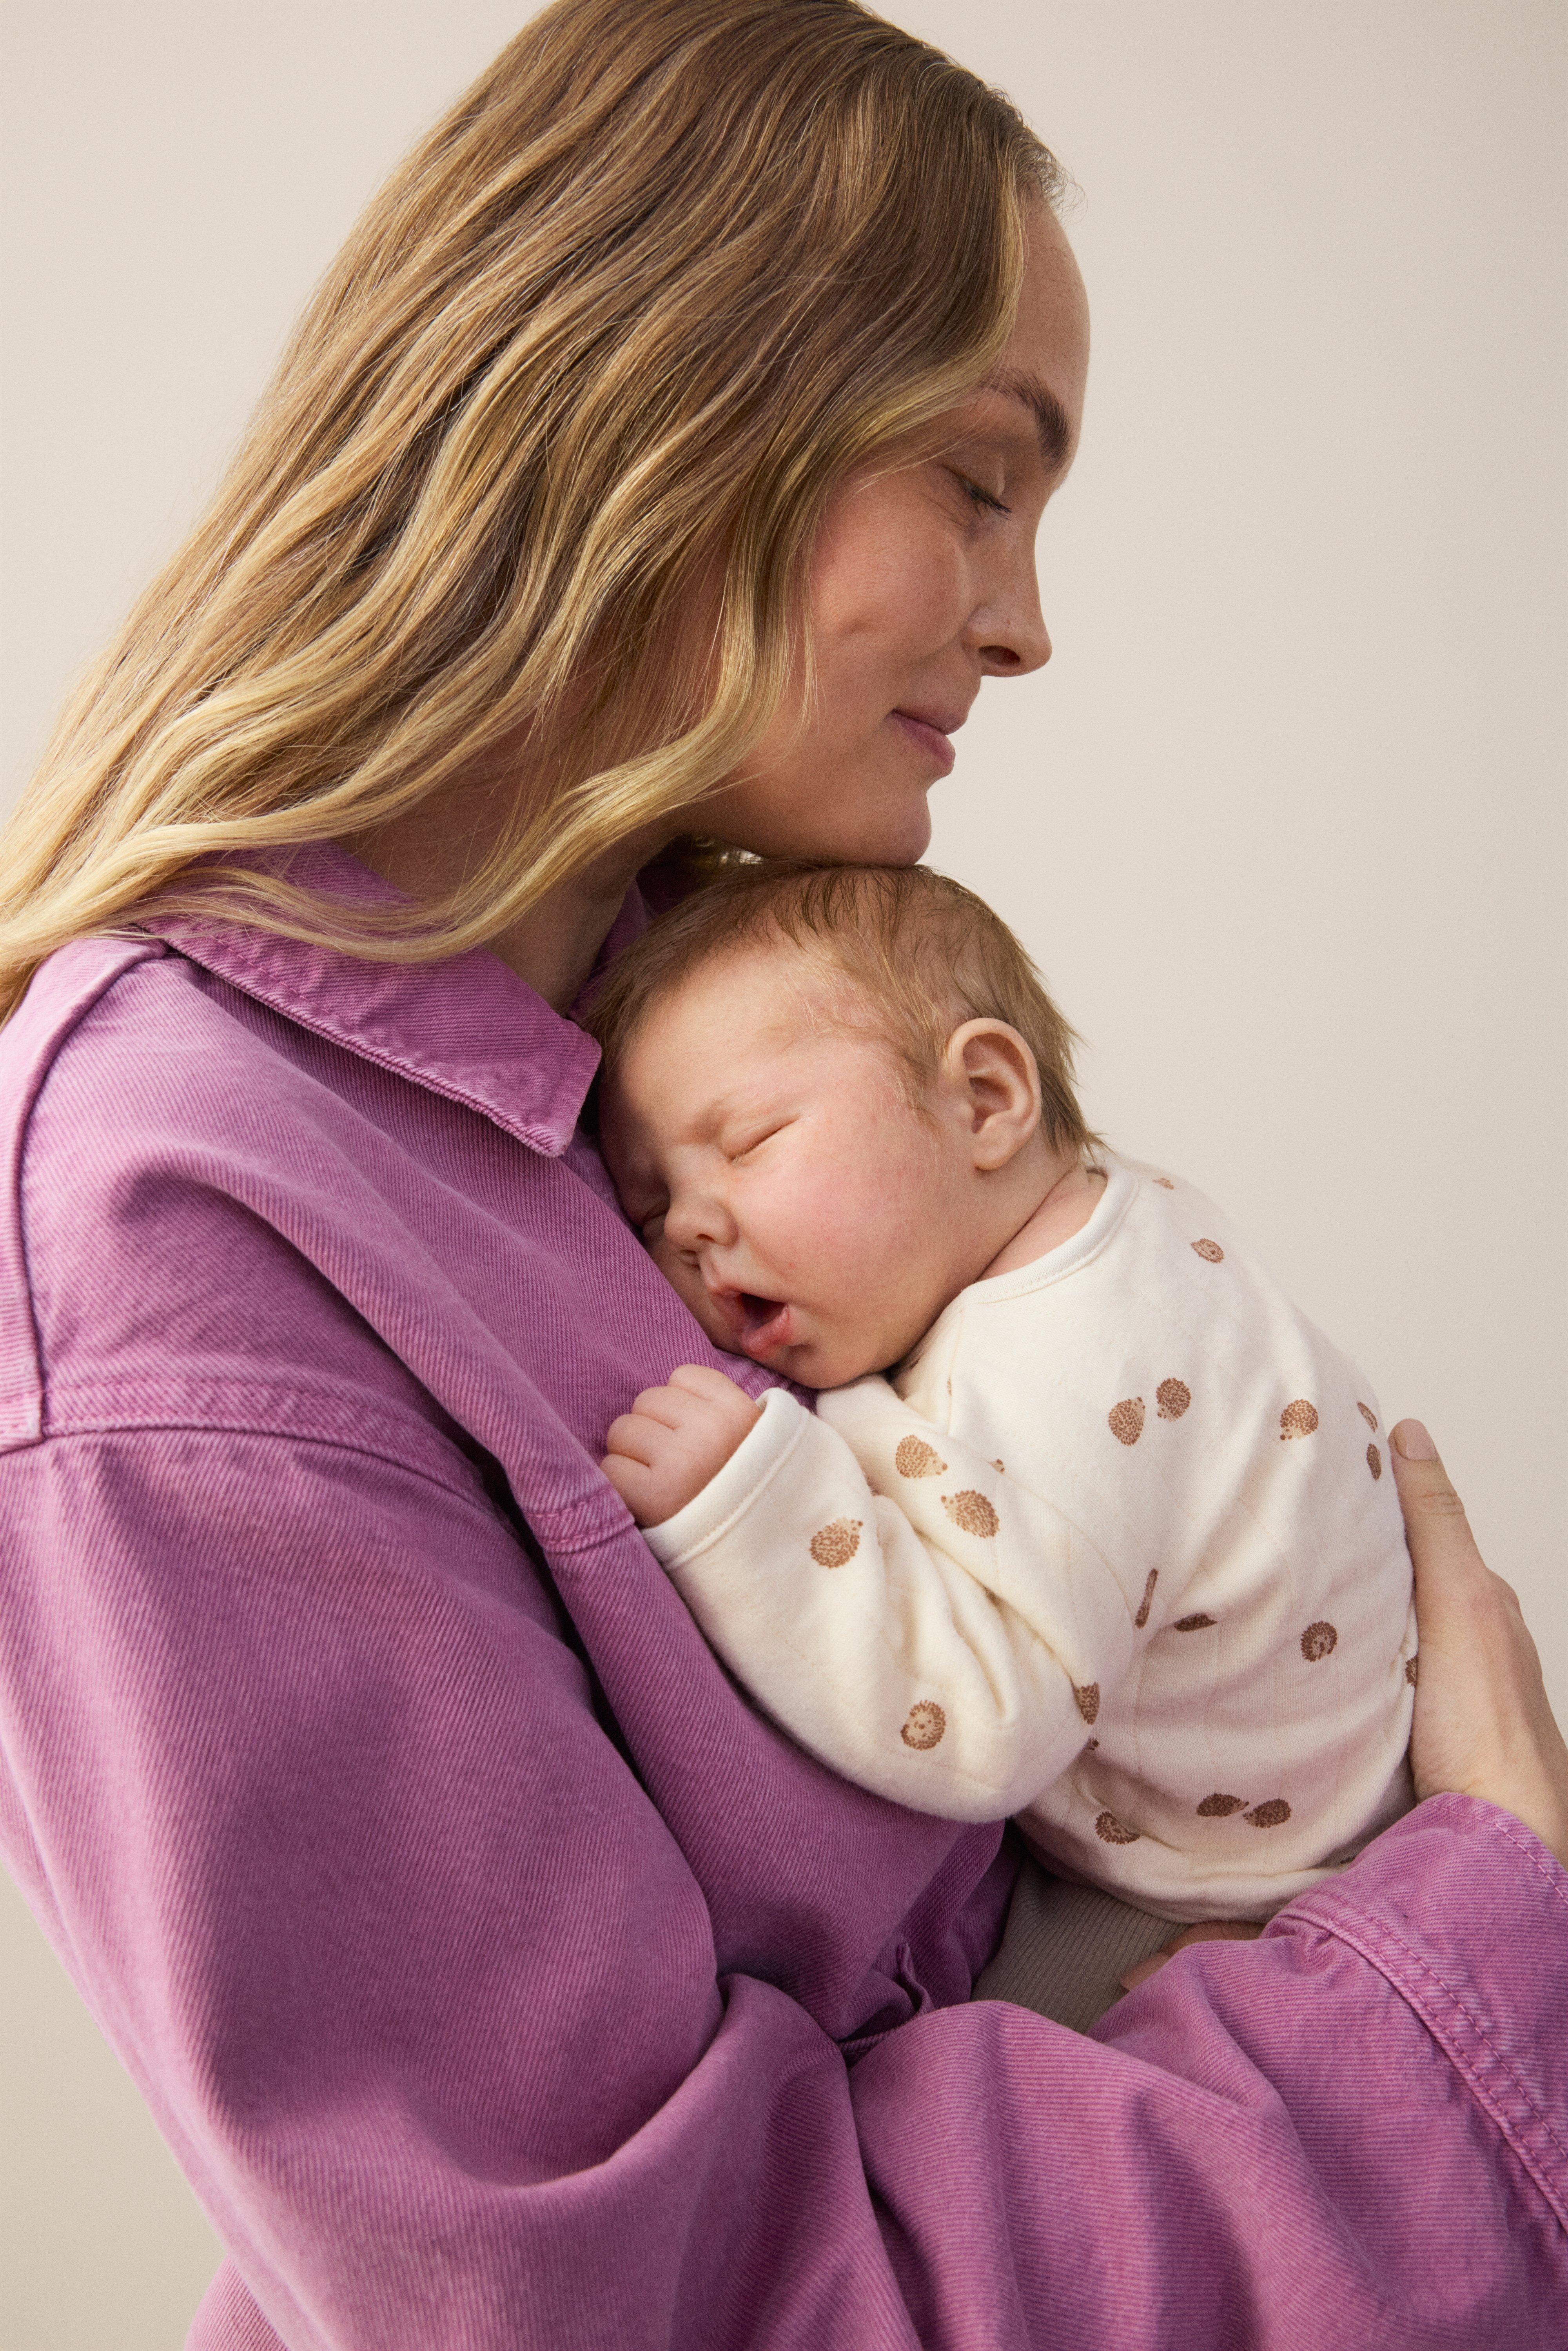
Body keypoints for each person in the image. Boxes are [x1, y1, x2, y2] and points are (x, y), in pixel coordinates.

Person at [0, 4, 1563, 2345]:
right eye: (980, 480)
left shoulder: (681, 1027)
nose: (1026, 623)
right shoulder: (172, 1227)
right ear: (670, 407)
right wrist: (1481, 1938)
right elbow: (659, 2300)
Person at [588, 860, 1418, 1988]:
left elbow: (980, 1723)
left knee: (971, 2070)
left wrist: (756, 1511)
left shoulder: (1051, 1364)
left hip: (1222, 1896)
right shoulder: (1118, 1228)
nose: (689, 1225)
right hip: (1356, 1816)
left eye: (747, 1144)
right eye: (649, 1206)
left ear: (984, 1100)